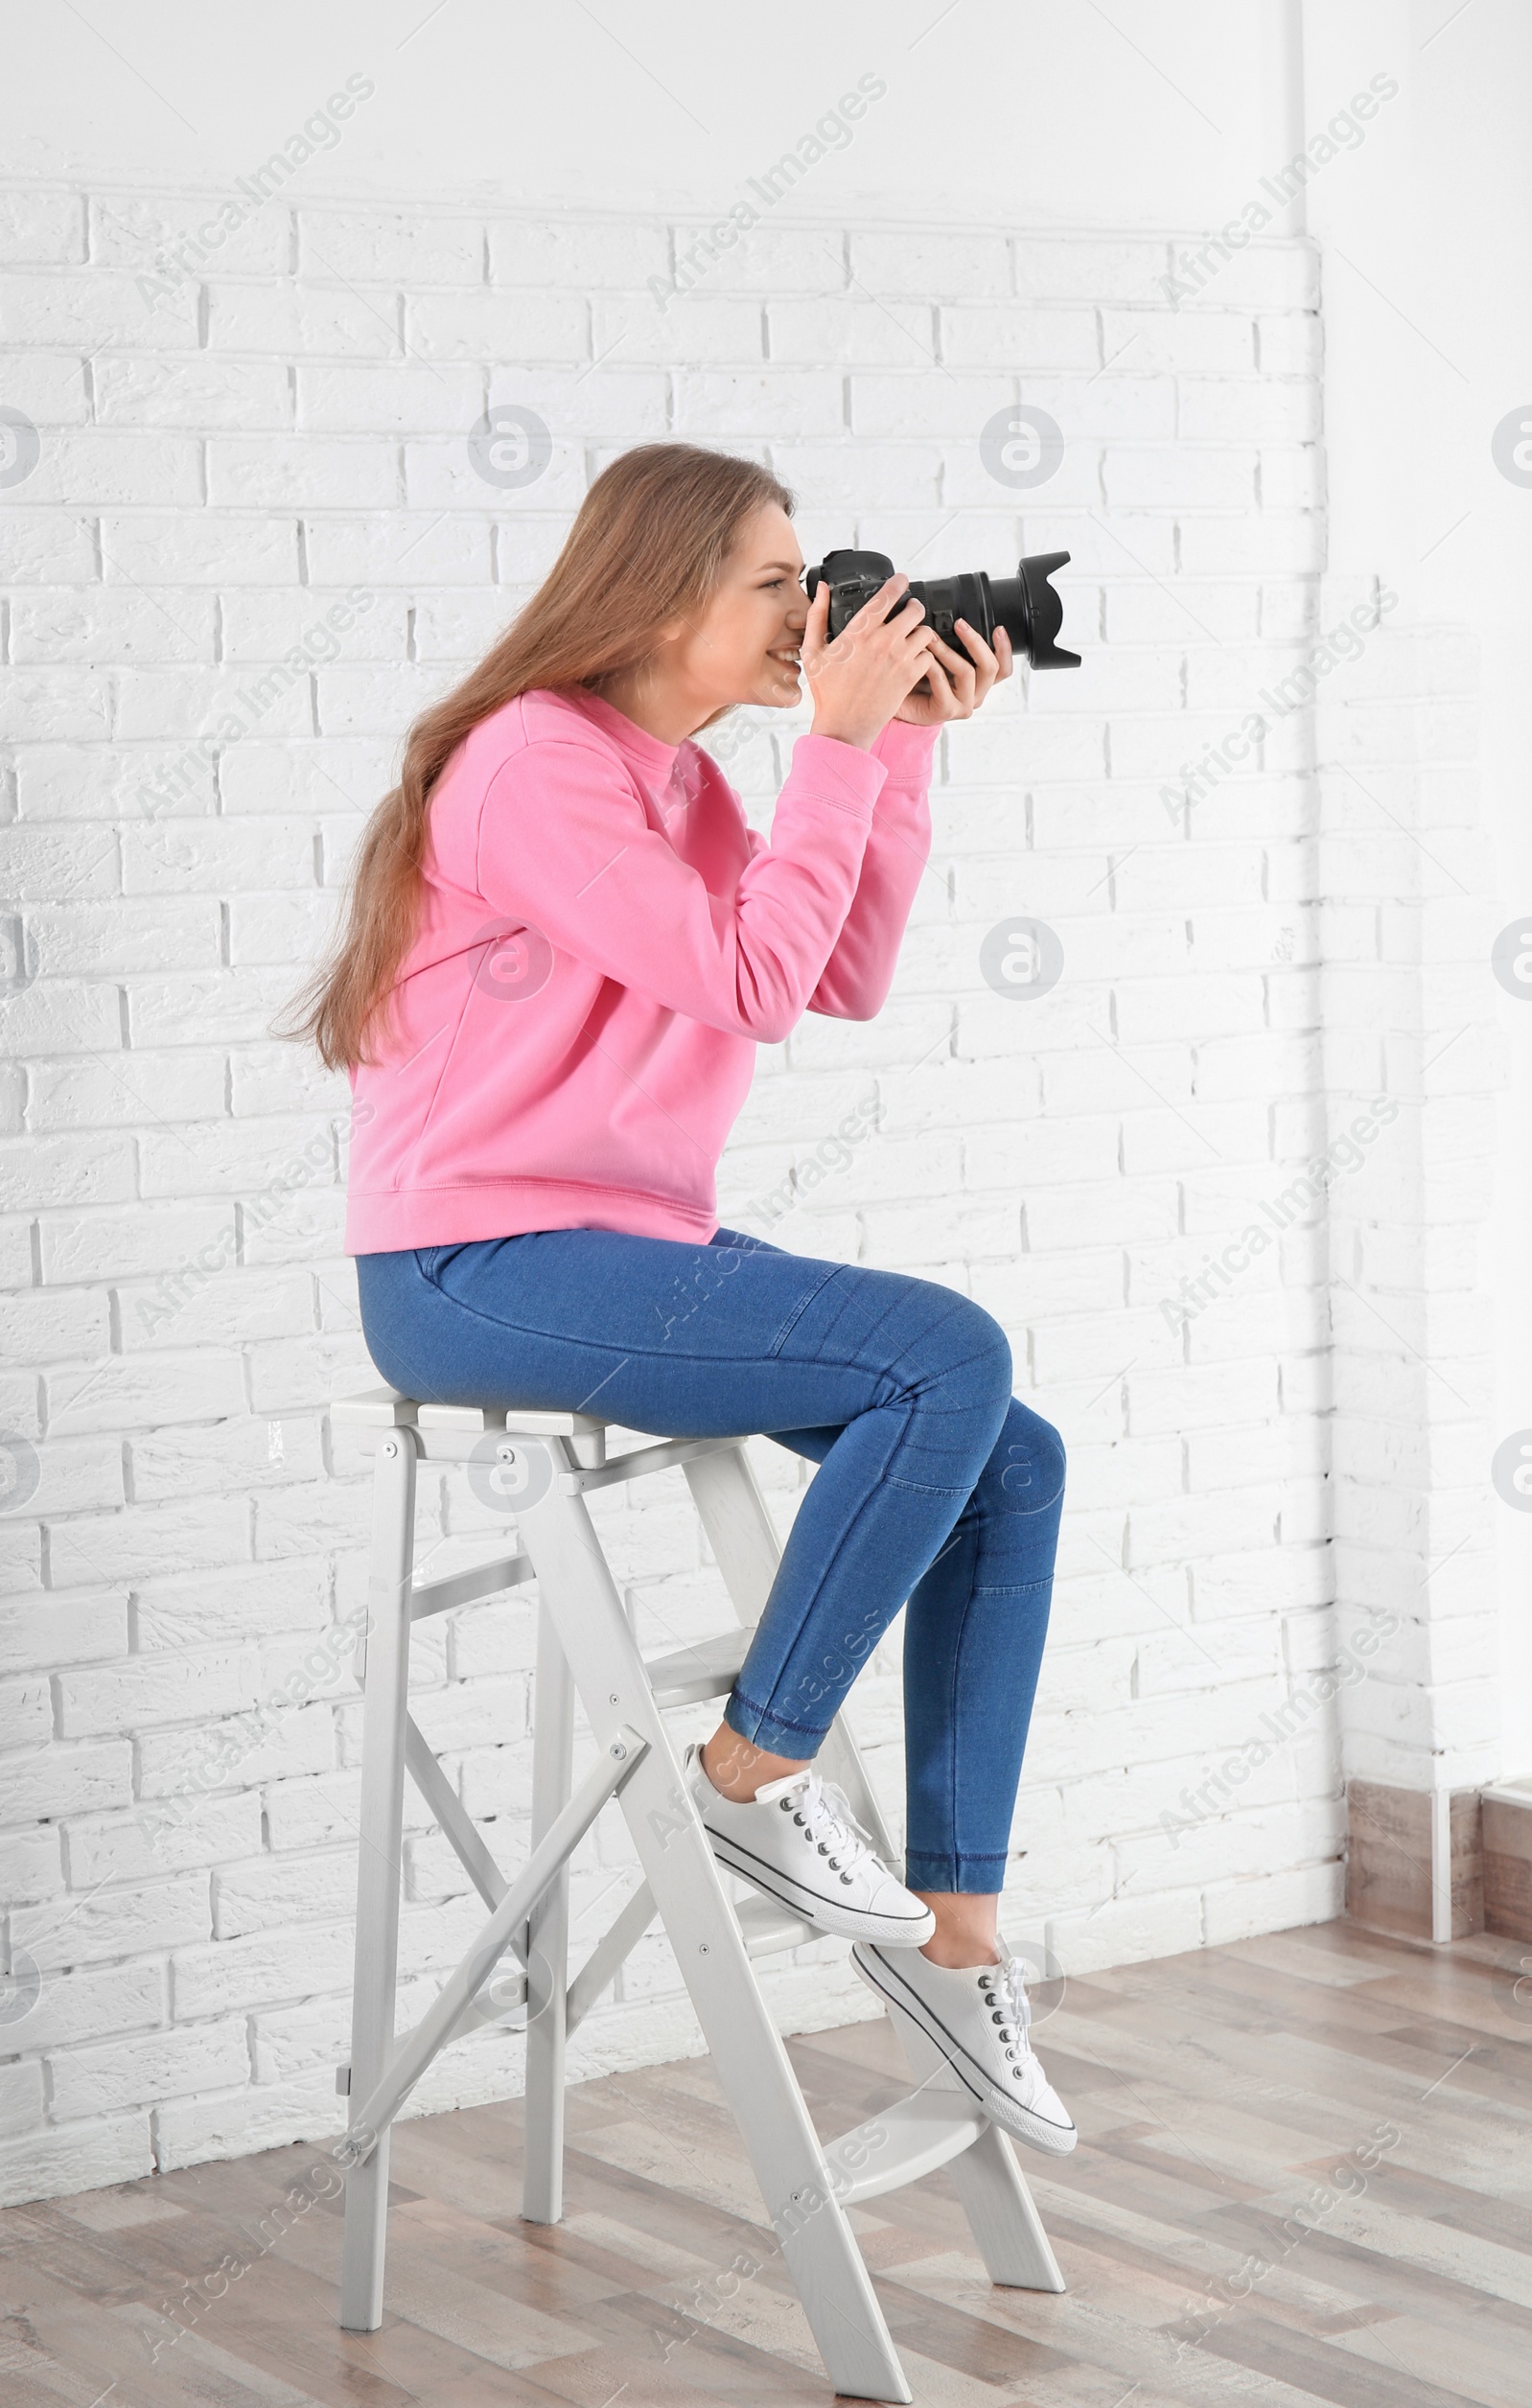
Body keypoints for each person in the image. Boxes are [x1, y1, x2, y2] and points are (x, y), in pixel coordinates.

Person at [284, 441, 1074, 2157]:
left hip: (626, 1246)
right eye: (776, 585)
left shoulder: (697, 787)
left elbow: (837, 973)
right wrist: (842, 746)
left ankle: (958, 1937)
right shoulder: (530, 768)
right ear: (659, 597)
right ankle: (752, 1774)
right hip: (466, 1266)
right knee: (945, 1351)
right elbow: (747, 977)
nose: (810, 616)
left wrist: (904, 746)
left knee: (1014, 1450)